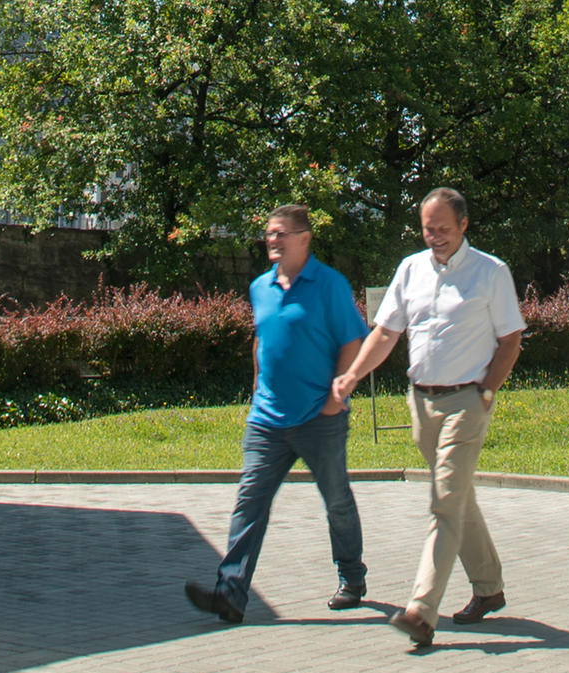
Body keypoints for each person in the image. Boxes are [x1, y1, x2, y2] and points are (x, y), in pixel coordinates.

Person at [331, 186, 525, 648]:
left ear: (463, 225)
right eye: (427, 228)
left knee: (443, 503)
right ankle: (489, 588)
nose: (434, 236)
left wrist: (487, 391)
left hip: (466, 402)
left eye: (442, 228)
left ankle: (421, 609)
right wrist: (354, 374)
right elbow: (386, 332)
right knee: (457, 499)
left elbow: (511, 339)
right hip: (421, 403)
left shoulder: (490, 273)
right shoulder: (411, 269)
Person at [183, 204, 372, 625]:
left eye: (281, 233)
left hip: (319, 417)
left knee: (337, 500)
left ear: (304, 238)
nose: (272, 240)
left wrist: (335, 398)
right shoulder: (260, 287)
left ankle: (352, 577)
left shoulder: (329, 285)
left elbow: (352, 343)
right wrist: (256, 389)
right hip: (267, 419)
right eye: (269, 233)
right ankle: (230, 593)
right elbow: (261, 340)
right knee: (249, 504)